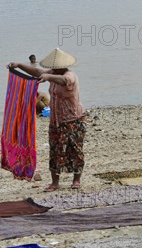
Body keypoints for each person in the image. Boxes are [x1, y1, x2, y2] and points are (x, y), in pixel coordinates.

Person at [7, 48, 85, 191]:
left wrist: (49, 78)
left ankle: (76, 179)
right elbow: (37, 73)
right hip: (55, 121)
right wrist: (19, 65)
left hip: (73, 120)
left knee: (75, 150)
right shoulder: (52, 74)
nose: (53, 69)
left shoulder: (70, 75)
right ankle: (55, 182)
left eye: (55, 67)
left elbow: (64, 81)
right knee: (55, 151)